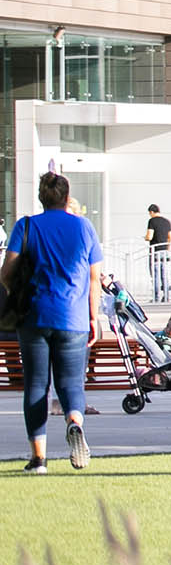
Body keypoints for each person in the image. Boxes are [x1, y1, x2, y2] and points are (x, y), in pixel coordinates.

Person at [1, 172, 104, 472]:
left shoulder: (26, 225)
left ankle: (39, 458)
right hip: (73, 317)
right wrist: (94, 316)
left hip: (33, 316)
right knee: (71, 382)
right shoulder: (84, 227)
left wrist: (14, 290)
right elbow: (95, 277)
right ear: (66, 196)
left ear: (41, 196)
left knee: (35, 385)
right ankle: (74, 420)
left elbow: (7, 271)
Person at [143, 203, 171, 302]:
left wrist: (145, 238)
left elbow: (149, 236)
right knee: (164, 274)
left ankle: (156, 297)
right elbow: (170, 237)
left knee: (155, 275)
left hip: (155, 251)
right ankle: (167, 296)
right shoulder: (167, 222)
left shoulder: (152, 221)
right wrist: (167, 248)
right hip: (164, 251)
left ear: (151, 212)